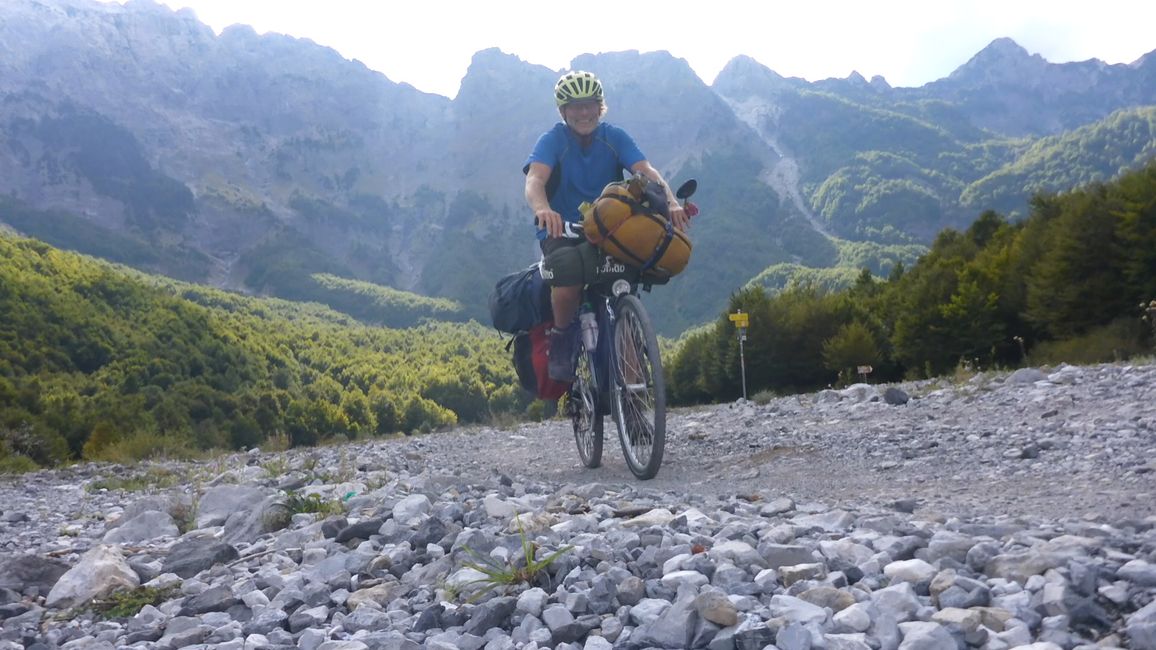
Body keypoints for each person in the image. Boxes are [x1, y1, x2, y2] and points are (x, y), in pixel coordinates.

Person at [524, 70, 690, 382]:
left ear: (600, 106)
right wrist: (544, 209)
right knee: (567, 277)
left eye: (590, 104)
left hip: (610, 230)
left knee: (623, 282)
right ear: (563, 111)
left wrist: (669, 202)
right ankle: (561, 338)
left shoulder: (615, 138)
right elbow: (535, 179)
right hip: (564, 230)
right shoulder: (552, 140)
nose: (583, 112)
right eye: (575, 106)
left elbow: (646, 171)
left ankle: (633, 392)